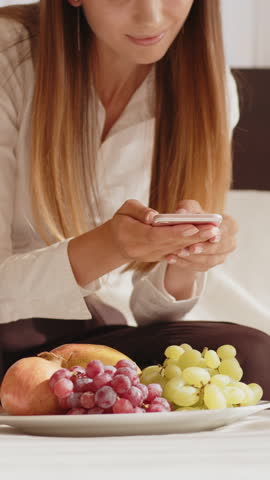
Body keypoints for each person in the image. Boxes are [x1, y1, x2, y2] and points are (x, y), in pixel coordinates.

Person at [0, 0, 269, 398]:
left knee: (255, 356)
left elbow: (151, 314)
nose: (152, 17)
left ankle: (55, 396)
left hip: (84, 337)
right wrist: (109, 246)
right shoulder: (10, 55)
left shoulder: (208, 91)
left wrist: (186, 261)